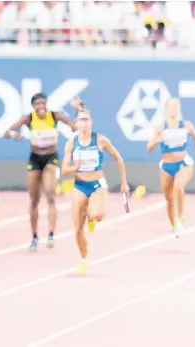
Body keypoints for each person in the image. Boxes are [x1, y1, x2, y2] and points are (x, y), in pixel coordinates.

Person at [60, 101, 128, 275]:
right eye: (80, 120)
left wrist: (124, 183)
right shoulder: (71, 144)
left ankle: (92, 218)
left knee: (96, 215)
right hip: (79, 185)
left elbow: (118, 159)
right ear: (76, 123)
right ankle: (84, 260)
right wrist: (75, 167)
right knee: (77, 230)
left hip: (97, 184)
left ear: (91, 122)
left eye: (86, 120)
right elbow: (64, 169)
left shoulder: (101, 140)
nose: (83, 123)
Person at [5, 93, 77, 251]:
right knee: (34, 199)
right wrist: (13, 134)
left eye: (43, 103)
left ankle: (51, 234)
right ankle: (35, 237)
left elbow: (72, 124)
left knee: (50, 193)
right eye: (37, 104)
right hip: (35, 159)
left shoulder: (54, 115)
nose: (41, 106)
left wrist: (73, 125)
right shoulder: (29, 119)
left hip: (51, 158)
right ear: (33, 106)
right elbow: (8, 130)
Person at [147, 98, 195, 238]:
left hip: (183, 163)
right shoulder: (161, 127)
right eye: (171, 107)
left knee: (178, 186)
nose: (173, 109)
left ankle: (180, 217)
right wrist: (157, 140)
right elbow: (149, 147)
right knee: (168, 198)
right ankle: (174, 224)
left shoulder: (185, 125)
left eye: (176, 106)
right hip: (166, 165)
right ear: (166, 110)